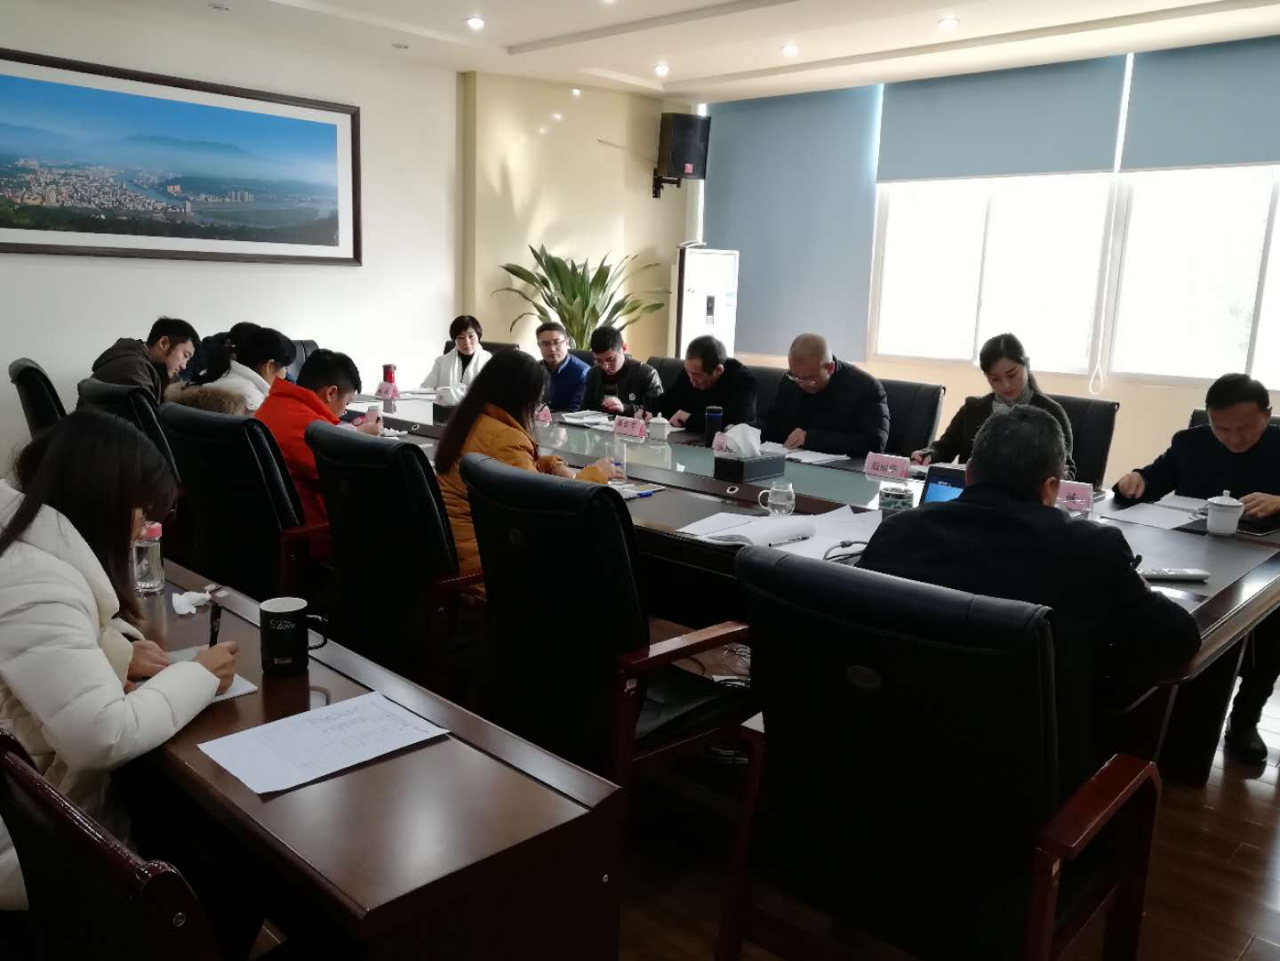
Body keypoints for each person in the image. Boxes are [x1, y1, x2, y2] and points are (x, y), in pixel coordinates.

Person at [858, 406, 1201, 792]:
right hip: (1027, 780)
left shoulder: (899, 531)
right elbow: (1179, 639)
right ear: (1052, 487)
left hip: (897, 753)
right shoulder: (1091, 549)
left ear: (968, 474)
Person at [0, 411, 238, 909]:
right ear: (102, 502)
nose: (144, 527)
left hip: (24, 810)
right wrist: (198, 675)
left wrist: (115, 650)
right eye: (142, 510)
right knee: (224, 854)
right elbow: (100, 736)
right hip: (27, 846)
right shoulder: (37, 583)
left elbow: (41, 644)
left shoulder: (21, 540)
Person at [1115, 372, 1280, 762]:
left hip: (1265, 562)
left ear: (1267, 414)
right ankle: (1168, 718)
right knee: (1161, 613)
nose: (1233, 438)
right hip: (1191, 558)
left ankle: (1245, 718)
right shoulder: (1190, 442)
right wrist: (1134, 479)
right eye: (1222, 429)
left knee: (1274, 625)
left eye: (1245, 428)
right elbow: (1152, 479)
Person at [434, 350, 620, 576]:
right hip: (490, 569)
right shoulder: (506, 439)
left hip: (461, 552)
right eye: (537, 400)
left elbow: (506, 471)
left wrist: (551, 465)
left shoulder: (474, 419)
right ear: (520, 398)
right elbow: (547, 514)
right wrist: (595, 475)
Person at [913, 333, 1076, 479]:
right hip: (972, 496)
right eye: (995, 379)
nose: (1006, 385)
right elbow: (944, 448)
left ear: (1027, 365)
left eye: (1012, 375)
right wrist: (929, 454)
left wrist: (1059, 474)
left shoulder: (1051, 413)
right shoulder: (972, 409)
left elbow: (1066, 471)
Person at [256, 349, 381, 537]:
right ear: (331, 392)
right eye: (347, 404)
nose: (343, 412)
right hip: (313, 532)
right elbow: (349, 479)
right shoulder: (311, 428)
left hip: (270, 526)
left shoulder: (274, 404)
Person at [761, 333, 889, 457]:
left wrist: (810, 438)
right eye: (795, 376)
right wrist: (751, 431)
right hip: (794, 461)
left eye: (808, 379)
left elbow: (875, 443)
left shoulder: (865, 387)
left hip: (842, 467)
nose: (801, 384)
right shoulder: (790, 381)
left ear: (830, 368)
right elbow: (774, 425)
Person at [650, 335, 757, 432]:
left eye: (696, 375)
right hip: (687, 440)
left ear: (718, 370)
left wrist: (690, 419)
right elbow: (669, 401)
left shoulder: (744, 380)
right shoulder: (689, 373)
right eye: (688, 371)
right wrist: (650, 411)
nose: (691, 379)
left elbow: (737, 423)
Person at [89, 316, 199, 404]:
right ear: (163, 343)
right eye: (185, 355)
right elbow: (149, 421)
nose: (184, 366)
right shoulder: (134, 368)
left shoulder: (154, 367)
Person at [206, 327, 297, 412]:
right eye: (285, 367)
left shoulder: (218, 380)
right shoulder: (255, 403)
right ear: (269, 366)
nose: (285, 373)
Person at [581, 325, 663, 417]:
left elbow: (656, 411)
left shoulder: (646, 374)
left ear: (623, 348)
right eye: (599, 361)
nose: (605, 367)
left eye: (611, 359)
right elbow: (585, 409)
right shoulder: (594, 373)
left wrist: (625, 408)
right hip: (598, 425)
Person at [421, 315, 492, 393]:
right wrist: (440, 391)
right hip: (446, 401)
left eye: (471, 336)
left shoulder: (489, 361)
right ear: (455, 340)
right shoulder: (441, 362)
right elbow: (424, 389)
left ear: (478, 336)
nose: (467, 342)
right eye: (461, 337)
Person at [535, 321, 590, 412]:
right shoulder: (534, 369)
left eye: (556, 342)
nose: (552, 349)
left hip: (565, 420)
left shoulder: (583, 372)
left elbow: (575, 412)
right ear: (539, 346)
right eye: (546, 344)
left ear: (567, 342)